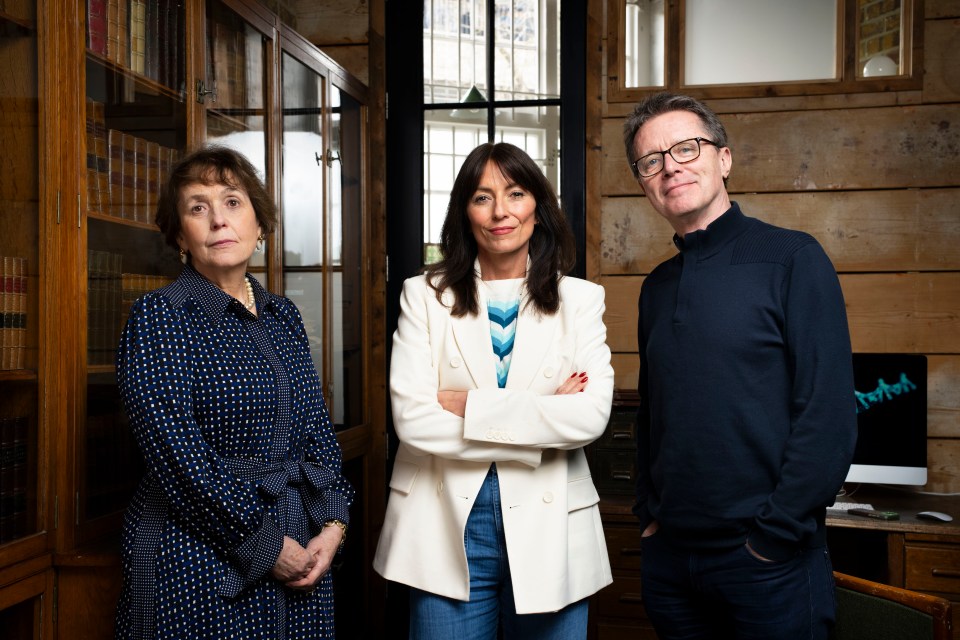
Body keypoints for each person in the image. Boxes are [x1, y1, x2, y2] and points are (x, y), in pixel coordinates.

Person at [623, 91, 858, 639]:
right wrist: (648, 516)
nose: (670, 167)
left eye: (686, 148)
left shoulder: (793, 259)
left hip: (767, 563)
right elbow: (652, 415)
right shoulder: (656, 288)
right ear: (643, 182)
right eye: (651, 160)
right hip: (671, 563)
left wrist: (773, 538)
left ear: (723, 158)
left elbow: (827, 417)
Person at [374, 142, 615, 638]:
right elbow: (414, 422)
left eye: (516, 193)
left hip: (553, 521)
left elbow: (589, 417)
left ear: (538, 209)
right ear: (464, 211)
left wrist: (467, 405)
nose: (500, 211)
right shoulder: (424, 294)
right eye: (482, 197)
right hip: (444, 521)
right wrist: (540, 417)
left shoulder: (580, 300)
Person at [114, 145, 354, 639]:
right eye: (198, 208)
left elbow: (316, 435)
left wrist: (332, 526)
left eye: (232, 202)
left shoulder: (282, 315)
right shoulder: (160, 317)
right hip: (198, 548)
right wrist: (266, 545)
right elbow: (178, 458)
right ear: (180, 234)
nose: (218, 220)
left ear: (259, 225)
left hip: (301, 541)